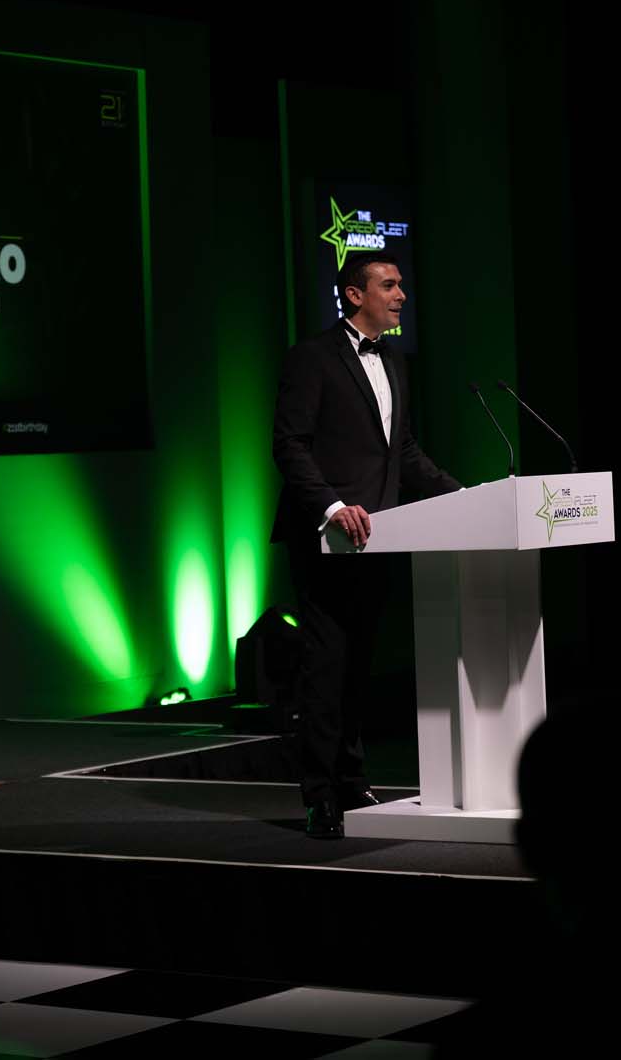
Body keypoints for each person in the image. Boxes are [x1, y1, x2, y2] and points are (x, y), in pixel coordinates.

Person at [271, 250, 460, 838]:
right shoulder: (312, 358)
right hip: (326, 537)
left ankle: (352, 781)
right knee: (325, 666)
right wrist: (331, 506)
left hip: (379, 539)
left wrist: (462, 495)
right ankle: (320, 795)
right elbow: (289, 444)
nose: (401, 295)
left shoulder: (394, 360)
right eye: (389, 285)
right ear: (354, 295)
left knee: (358, 667)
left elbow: (402, 452)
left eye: (401, 285)